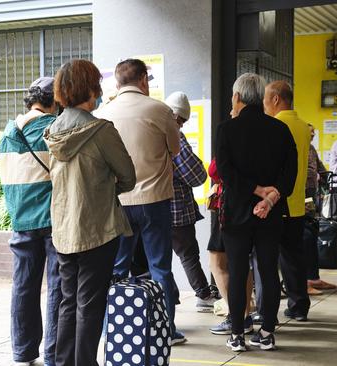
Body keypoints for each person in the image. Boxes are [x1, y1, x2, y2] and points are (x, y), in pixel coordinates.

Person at [43, 59, 136, 366]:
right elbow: (128, 176)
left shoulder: (52, 130)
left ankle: (64, 362)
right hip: (98, 228)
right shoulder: (101, 130)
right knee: (90, 303)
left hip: (64, 230)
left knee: (68, 301)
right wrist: (105, 189)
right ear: (90, 89)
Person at [95, 59, 185, 344]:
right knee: (160, 268)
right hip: (155, 200)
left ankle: (117, 328)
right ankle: (165, 330)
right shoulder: (160, 110)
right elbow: (175, 149)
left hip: (117, 201)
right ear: (144, 80)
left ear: (118, 83)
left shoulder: (102, 113)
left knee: (117, 269)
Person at [216, 73, 297, 351]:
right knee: (268, 270)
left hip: (237, 212)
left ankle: (237, 334)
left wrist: (255, 190)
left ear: (237, 98)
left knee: (238, 272)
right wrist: (271, 197)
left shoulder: (226, 130)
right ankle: (266, 333)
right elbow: (291, 173)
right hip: (270, 214)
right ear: (261, 98)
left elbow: (226, 172)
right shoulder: (280, 130)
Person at [0, 77, 62, 366]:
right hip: (51, 218)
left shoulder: (9, 131)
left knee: (24, 285)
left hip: (21, 218)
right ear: (54, 102)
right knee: (57, 286)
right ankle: (53, 352)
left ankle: (23, 352)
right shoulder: (50, 129)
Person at [164, 91, 219, 312]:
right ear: (177, 117)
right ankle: (203, 295)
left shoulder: (149, 128)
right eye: (182, 121)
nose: (183, 126)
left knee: (158, 260)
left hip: (149, 208)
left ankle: (169, 300)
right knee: (188, 254)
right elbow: (197, 175)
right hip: (176, 209)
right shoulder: (173, 133)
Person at [263, 80, 311, 321]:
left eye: (265, 100)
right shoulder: (304, 127)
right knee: (294, 256)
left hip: (277, 201)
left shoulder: (275, 125)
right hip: (298, 202)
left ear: (275, 99)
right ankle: (299, 305)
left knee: (271, 259)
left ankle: (268, 307)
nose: (264, 105)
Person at [206, 157, 255, 336]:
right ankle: (245, 315)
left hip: (230, 206)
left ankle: (238, 317)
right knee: (242, 263)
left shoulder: (231, 137)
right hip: (251, 205)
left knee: (217, 263)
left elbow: (214, 171)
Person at [305, 124, 337, 293]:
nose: (313, 133)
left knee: (312, 231)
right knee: (305, 236)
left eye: (313, 131)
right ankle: (305, 281)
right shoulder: (297, 146)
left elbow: (321, 168)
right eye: (310, 131)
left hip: (311, 196)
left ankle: (313, 278)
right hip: (299, 196)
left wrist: (329, 182)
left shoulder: (310, 148)